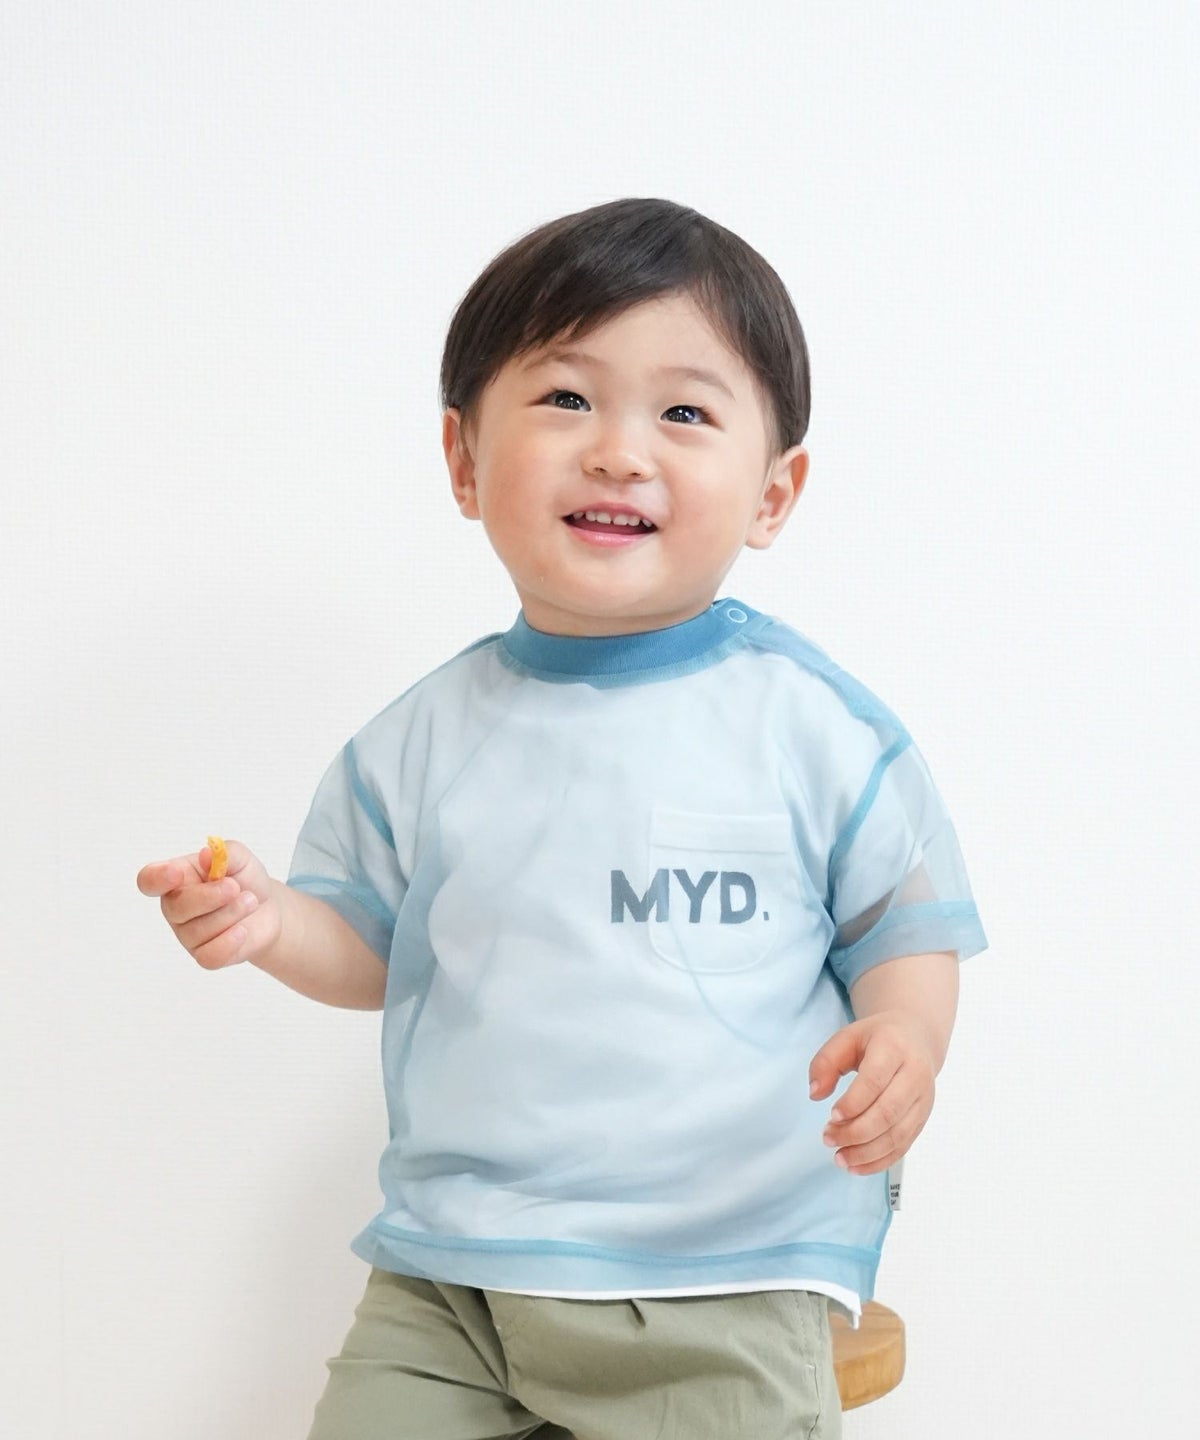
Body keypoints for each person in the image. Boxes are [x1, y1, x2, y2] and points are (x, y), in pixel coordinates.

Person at [137, 197, 987, 1440]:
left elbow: (902, 928)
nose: (619, 453)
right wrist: (270, 924)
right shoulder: (421, 739)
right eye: (566, 398)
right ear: (464, 460)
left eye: (684, 414)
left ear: (774, 492)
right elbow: (371, 947)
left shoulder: (816, 730)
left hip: (722, 1269)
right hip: (451, 1273)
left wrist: (907, 1037)